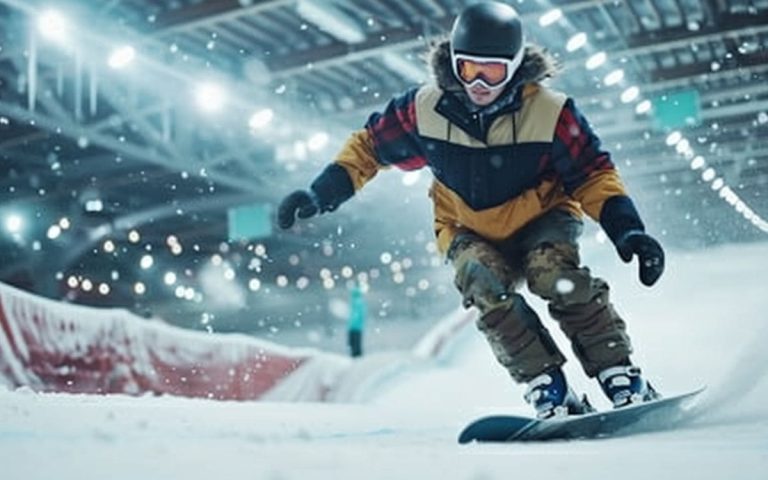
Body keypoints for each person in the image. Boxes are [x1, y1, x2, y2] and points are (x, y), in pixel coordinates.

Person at [277, 1, 665, 419]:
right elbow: (368, 148)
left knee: (554, 276)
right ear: (453, 64)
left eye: (493, 71)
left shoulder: (550, 112)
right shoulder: (424, 109)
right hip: (466, 224)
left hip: (541, 217)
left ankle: (620, 374)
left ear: (515, 66)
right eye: (468, 69)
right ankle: (545, 384)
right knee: (481, 283)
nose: (479, 83)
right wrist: (321, 193)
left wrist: (627, 230)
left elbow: (593, 175)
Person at [347, 285, 367, 358]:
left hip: (355, 328)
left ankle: (356, 358)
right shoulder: (356, 302)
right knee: (355, 345)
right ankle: (356, 357)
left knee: (354, 345)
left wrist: (352, 324)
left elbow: (356, 316)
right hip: (356, 327)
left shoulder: (357, 302)